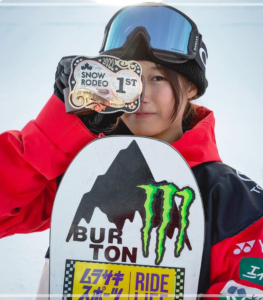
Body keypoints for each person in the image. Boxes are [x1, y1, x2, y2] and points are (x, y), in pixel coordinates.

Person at [1, 2, 263, 299]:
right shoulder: (85, 173)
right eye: (130, 81)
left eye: (158, 77)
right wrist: (61, 124)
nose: (142, 96)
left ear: (191, 87)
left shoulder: (232, 197)